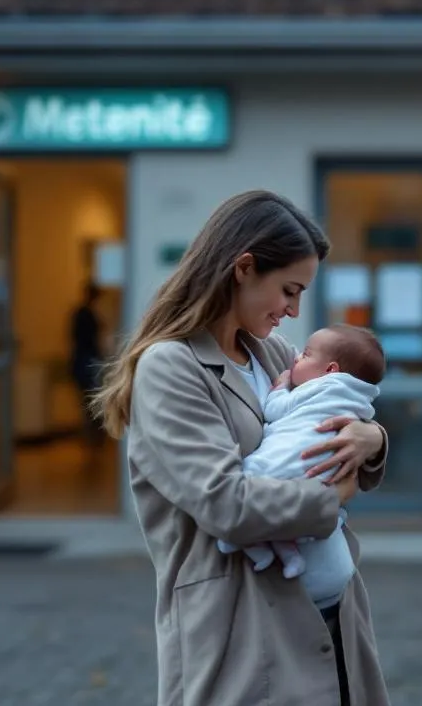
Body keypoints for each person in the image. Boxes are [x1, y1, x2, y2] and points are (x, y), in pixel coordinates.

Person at [92, 190, 392, 706]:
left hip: (329, 618)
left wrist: (374, 438)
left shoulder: (270, 352)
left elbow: (335, 401)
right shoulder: (171, 366)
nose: (294, 310)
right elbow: (225, 504)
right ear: (244, 268)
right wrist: (331, 499)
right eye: (289, 290)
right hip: (240, 628)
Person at [218, 324, 384, 603]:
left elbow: (276, 409)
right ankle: (287, 553)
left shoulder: (285, 360)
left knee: (258, 474)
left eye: (305, 355)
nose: (296, 358)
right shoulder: (353, 393)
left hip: (290, 464)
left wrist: (281, 387)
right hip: (316, 482)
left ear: (330, 370)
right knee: (285, 523)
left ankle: (261, 548)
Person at [69, 283, 106, 450]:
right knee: (93, 400)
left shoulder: (81, 313)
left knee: (88, 401)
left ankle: (92, 437)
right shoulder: (89, 315)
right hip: (89, 361)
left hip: (82, 361)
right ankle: (94, 437)